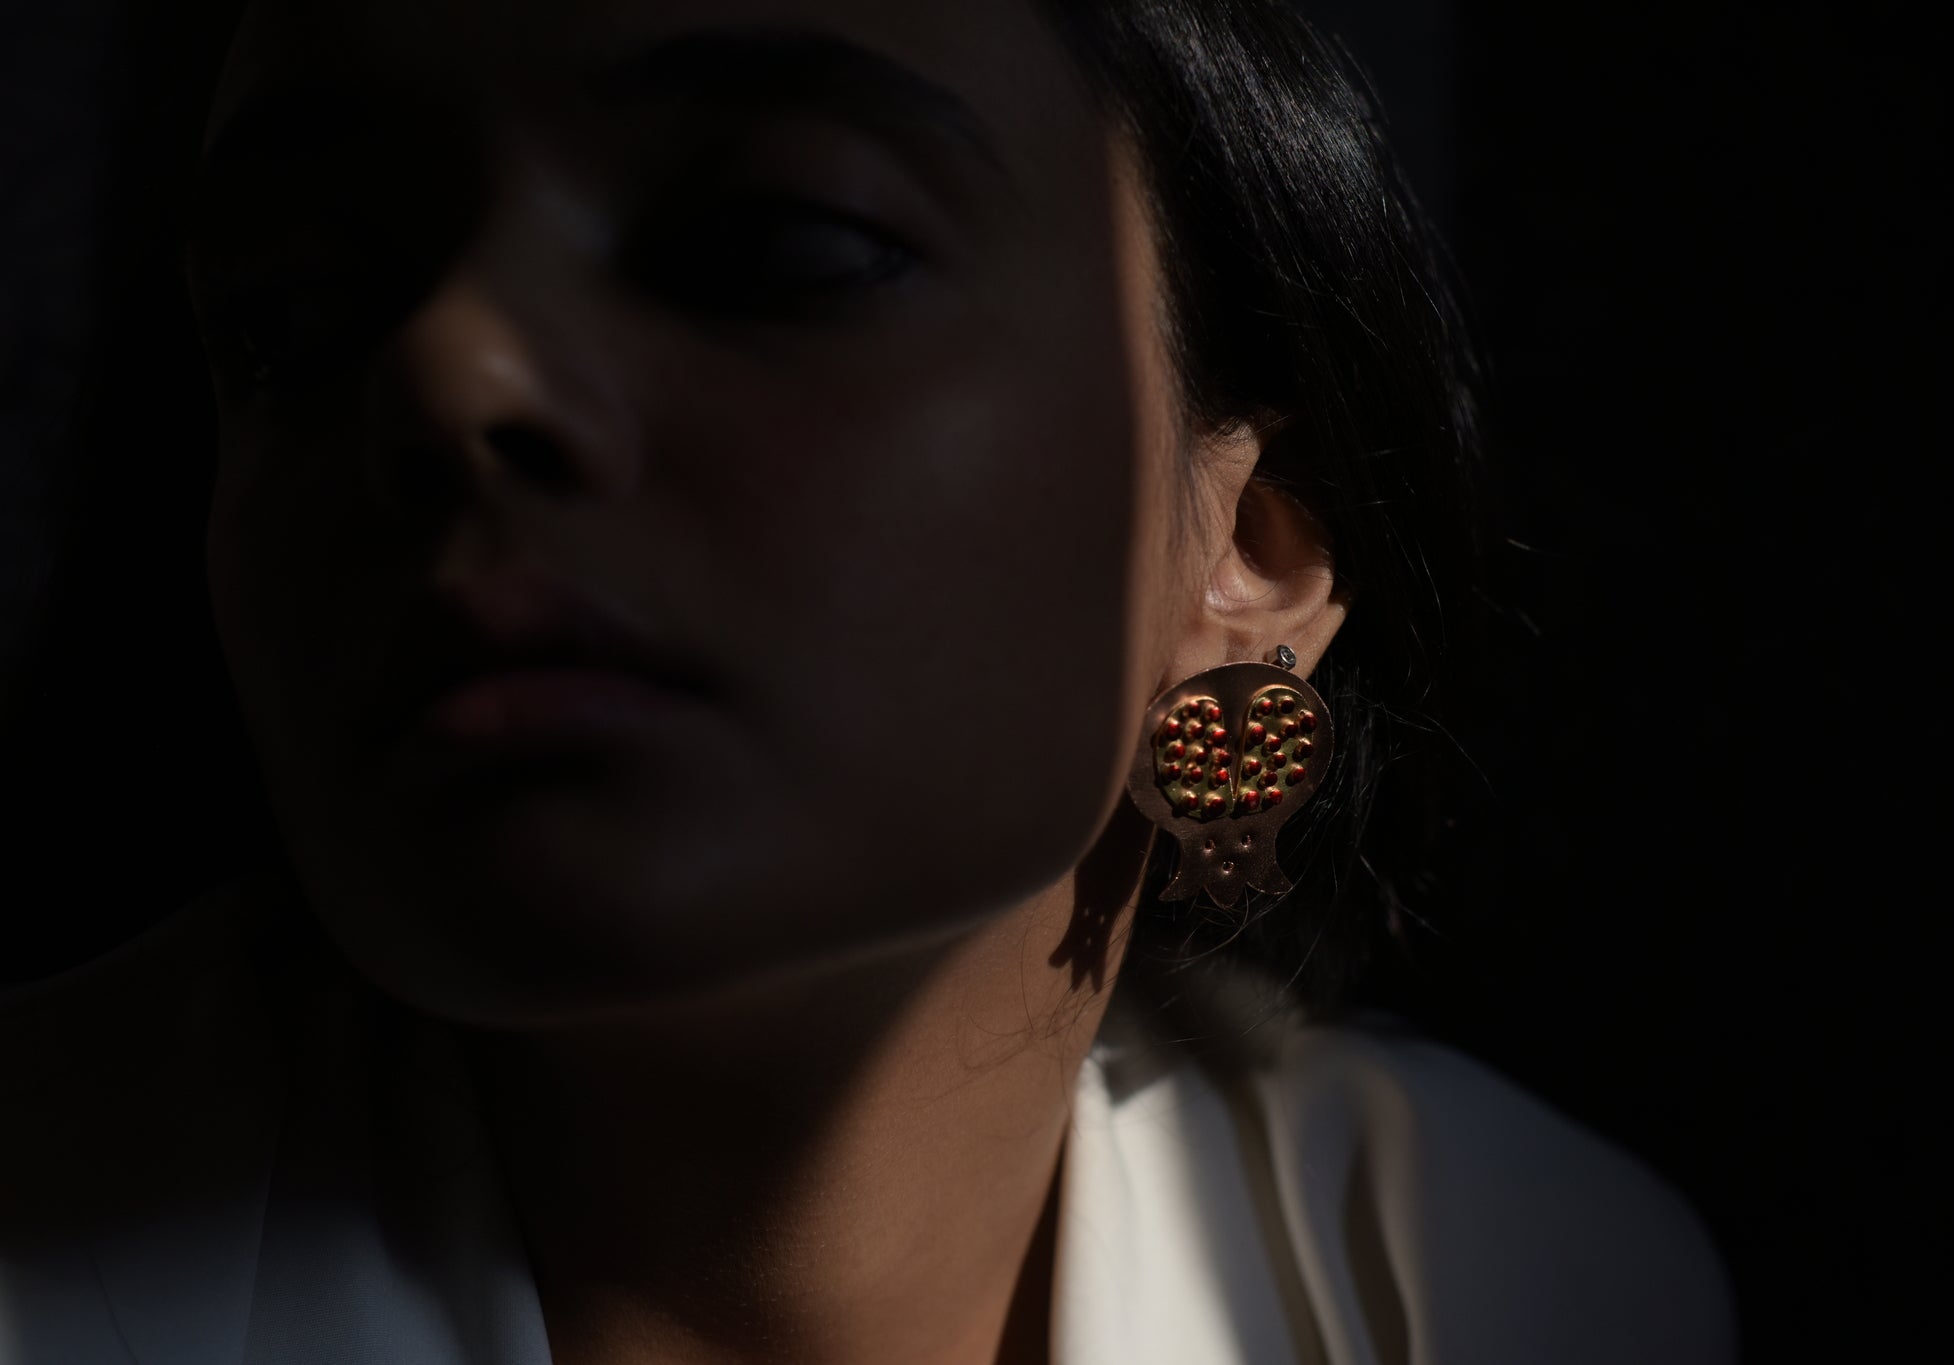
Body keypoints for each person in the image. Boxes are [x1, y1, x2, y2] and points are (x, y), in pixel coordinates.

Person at [0, 1, 1736, 1361]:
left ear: (1252, 550)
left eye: (782, 244)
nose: (443, 373)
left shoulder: (1504, 1281)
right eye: (291, 317)